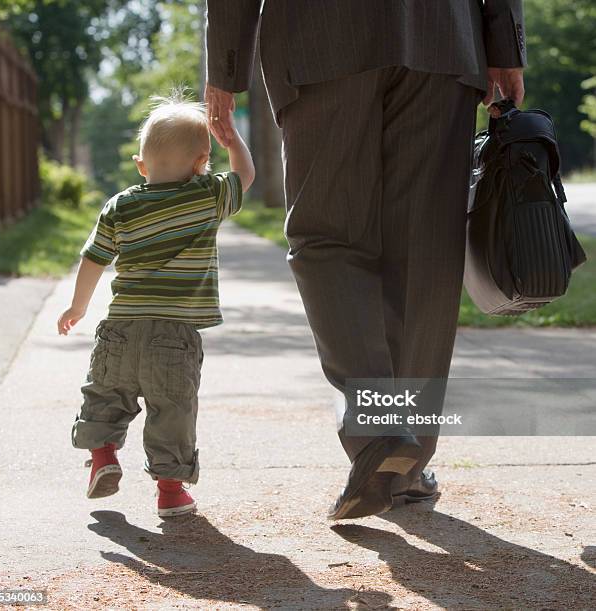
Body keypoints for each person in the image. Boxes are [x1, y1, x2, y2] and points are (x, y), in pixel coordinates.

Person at [205, 0, 526, 520]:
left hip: (322, 38)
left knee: (327, 238)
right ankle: (406, 462)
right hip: (441, 35)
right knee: (424, 252)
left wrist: (224, 67)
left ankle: (383, 436)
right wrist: (505, 44)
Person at [57, 91, 255, 517]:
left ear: (141, 166)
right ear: (202, 162)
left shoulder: (120, 205)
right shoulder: (206, 196)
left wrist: (77, 307)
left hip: (120, 329)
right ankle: (170, 492)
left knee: (106, 395)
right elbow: (246, 175)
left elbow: (94, 258)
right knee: (172, 412)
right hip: (174, 335)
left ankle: (104, 456)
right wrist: (233, 141)